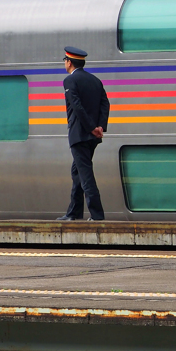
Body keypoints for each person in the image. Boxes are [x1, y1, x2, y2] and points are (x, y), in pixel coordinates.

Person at [56, 47, 110, 221]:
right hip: (92, 137)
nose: (65, 63)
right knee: (77, 173)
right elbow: (105, 104)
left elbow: (77, 106)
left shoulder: (69, 81)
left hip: (80, 135)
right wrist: (100, 126)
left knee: (85, 176)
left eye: (65, 60)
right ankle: (73, 213)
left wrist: (90, 127)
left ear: (69, 62)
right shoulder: (95, 80)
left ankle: (97, 215)